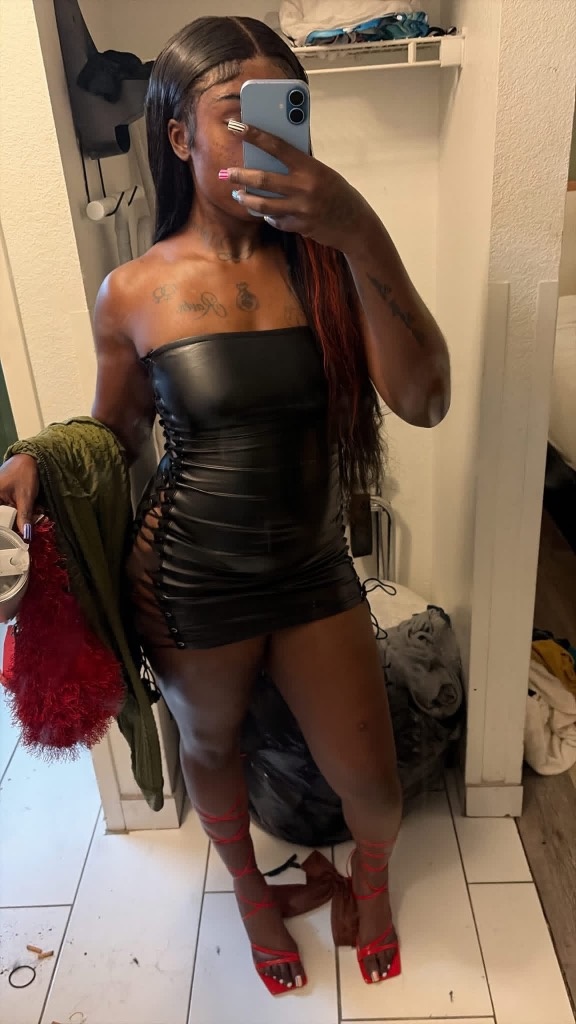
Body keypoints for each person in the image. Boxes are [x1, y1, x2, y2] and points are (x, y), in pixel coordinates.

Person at [0, 15, 450, 997]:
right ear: (179, 136)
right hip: (187, 578)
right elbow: (115, 436)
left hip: (312, 566)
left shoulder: (330, 263)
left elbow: (424, 399)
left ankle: (372, 882)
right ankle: (250, 894)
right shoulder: (133, 290)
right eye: (235, 113)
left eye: (284, 111)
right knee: (209, 745)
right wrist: (40, 458)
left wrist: (359, 226)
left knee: (373, 786)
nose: (265, 134)